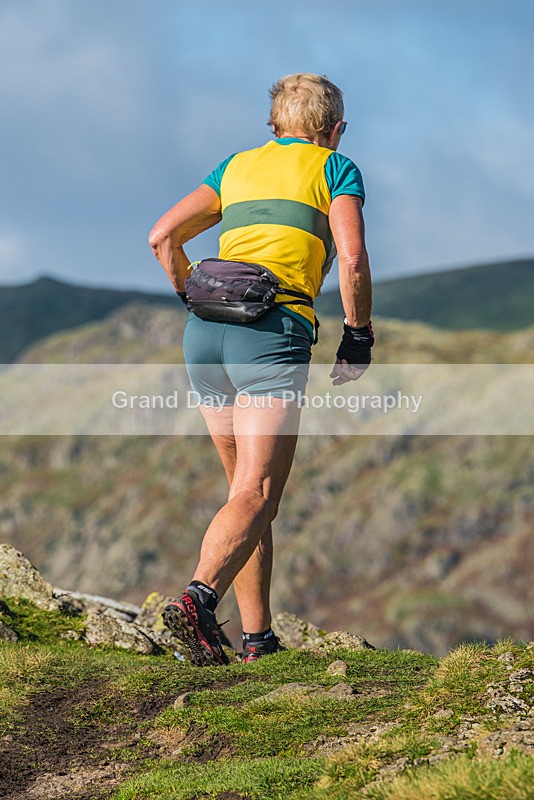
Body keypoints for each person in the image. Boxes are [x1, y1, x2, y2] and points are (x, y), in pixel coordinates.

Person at [148, 73, 373, 666]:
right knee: (258, 491)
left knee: (243, 493)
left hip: (204, 336)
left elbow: (162, 236)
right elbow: (350, 258)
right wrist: (357, 335)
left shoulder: (233, 168)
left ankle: (257, 639)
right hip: (270, 333)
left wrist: (195, 298)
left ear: (273, 128)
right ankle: (197, 601)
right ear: (335, 130)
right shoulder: (335, 168)